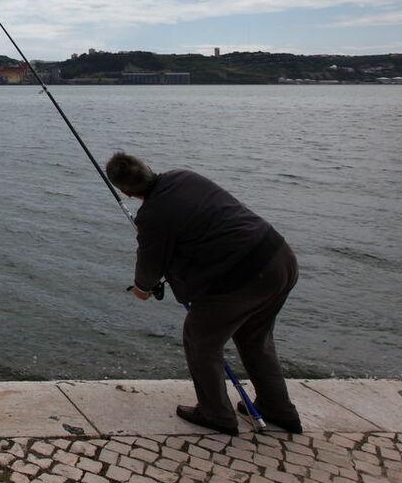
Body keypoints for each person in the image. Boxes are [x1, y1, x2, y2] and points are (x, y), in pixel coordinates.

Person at [105, 152, 302, 435]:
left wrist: (142, 289)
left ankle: (216, 414)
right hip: (280, 259)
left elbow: (149, 265)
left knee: (200, 340)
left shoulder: (151, 216)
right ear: (148, 166)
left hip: (244, 277)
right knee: (255, 339)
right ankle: (278, 409)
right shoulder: (184, 176)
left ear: (125, 191)